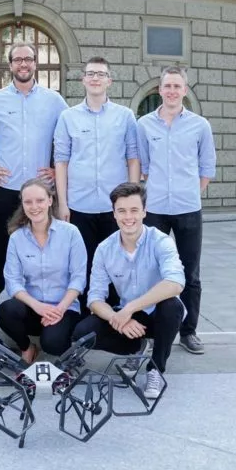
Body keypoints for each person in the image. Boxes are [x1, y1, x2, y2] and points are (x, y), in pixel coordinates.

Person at [0, 42, 67, 309]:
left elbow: (69, 138)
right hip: (8, 192)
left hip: (42, 194)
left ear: (35, 63)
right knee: (1, 252)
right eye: (17, 59)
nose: (23, 64)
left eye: (28, 59)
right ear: (10, 64)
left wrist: (57, 169)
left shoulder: (54, 101)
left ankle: (42, 309)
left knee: (44, 251)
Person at [71, 182, 185, 400]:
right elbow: (94, 298)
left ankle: (156, 369)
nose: (128, 217)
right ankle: (137, 348)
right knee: (82, 333)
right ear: (114, 214)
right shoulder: (105, 249)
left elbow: (175, 282)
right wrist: (118, 317)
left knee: (172, 305)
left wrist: (130, 308)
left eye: (134, 210)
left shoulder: (160, 241)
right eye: (121, 211)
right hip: (128, 318)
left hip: (159, 315)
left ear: (144, 211)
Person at [137, 67, 216, 355]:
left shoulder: (200, 126)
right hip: (155, 208)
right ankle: (149, 330)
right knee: (152, 271)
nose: (171, 91)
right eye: (167, 85)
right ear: (160, 89)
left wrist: (192, 193)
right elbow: (142, 168)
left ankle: (189, 331)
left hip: (187, 209)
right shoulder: (144, 124)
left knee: (190, 272)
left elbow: (206, 168)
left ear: (185, 90)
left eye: (176, 86)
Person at [54, 57, 140, 312]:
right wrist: (62, 203)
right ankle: (82, 315)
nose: (95, 78)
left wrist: (133, 201)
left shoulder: (124, 116)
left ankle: (113, 313)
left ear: (109, 81)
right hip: (79, 205)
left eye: (100, 74)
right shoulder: (68, 117)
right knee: (83, 263)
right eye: (90, 73)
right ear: (83, 79)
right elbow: (61, 162)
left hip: (115, 207)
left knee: (116, 262)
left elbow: (133, 157)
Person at [0, 179, 86, 364]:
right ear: (22, 204)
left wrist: (59, 309)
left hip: (64, 307)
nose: (34, 206)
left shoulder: (71, 233)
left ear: (50, 201)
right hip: (33, 307)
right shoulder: (17, 237)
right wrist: (38, 306)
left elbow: (78, 279)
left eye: (39, 200)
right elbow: (12, 282)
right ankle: (27, 348)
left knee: (53, 343)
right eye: (28, 202)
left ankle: (68, 347)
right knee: (6, 311)